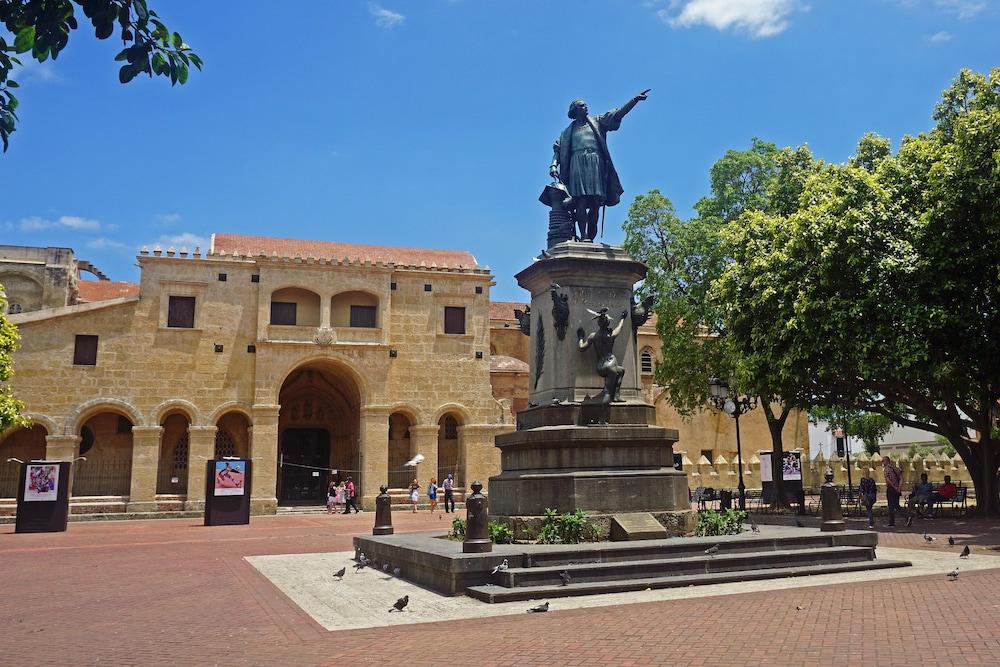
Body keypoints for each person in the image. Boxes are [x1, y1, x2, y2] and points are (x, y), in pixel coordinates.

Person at [549, 91, 649, 241]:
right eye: (582, 105)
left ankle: (590, 236)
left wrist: (633, 100)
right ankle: (583, 236)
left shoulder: (597, 121)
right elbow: (558, 150)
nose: (586, 107)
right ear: (575, 110)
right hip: (577, 164)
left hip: (595, 163)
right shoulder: (567, 133)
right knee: (580, 200)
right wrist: (553, 165)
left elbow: (616, 114)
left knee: (596, 202)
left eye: (585, 105)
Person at [881, 456, 910, 527]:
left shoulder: (886, 469)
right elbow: (901, 478)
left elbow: (888, 480)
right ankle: (907, 516)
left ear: (886, 461)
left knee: (891, 506)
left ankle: (892, 522)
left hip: (891, 489)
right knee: (896, 505)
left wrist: (894, 487)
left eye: (883, 461)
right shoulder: (896, 468)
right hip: (897, 489)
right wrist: (899, 487)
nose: (882, 463)